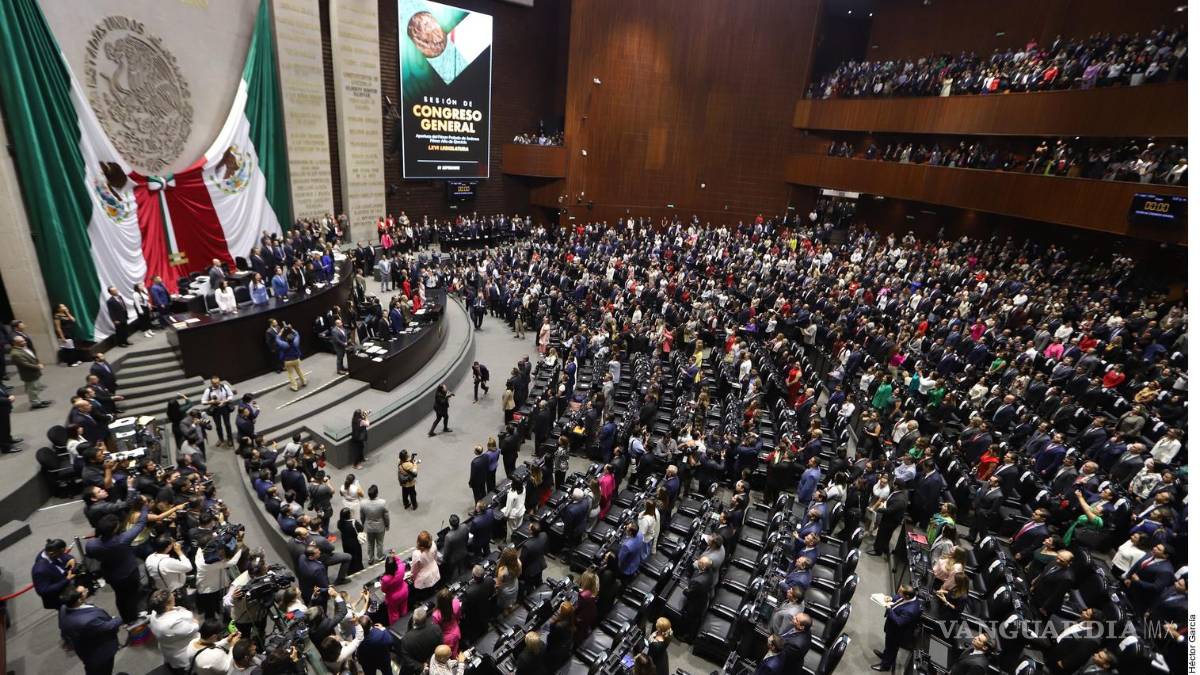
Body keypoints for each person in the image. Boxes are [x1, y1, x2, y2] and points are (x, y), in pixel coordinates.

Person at [85, 506, 149, 624]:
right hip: (129, 573)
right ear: (114, 529)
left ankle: (126, 618)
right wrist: (145, 508)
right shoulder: (122, 539)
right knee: (133, 595)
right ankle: (134, 617)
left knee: (120, 596)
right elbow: (140, 525)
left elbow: (92, 555)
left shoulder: (91, 545)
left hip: (111, 575)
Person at [58, 584, 122, 675]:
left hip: (85, 647)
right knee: (103, 671)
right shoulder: (87, 621)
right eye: (84, 591)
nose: (87, 590)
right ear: (79, 600)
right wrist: (118, 619)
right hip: (100, 654)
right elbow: (108, 627)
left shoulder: (63, 608)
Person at [148, 589, 200, 674]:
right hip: (182, 653)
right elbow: (194, 627)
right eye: (172, 598)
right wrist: (194, 621)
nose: (174, 597)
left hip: (168, 648)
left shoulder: (154, 613)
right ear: (166, 606)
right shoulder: (173, 624)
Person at [871, 585, 922, 671]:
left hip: (897, 633)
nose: (898, 593)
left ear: (907, 596)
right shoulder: (911, 597)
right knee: (888, 645)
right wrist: (891, 598)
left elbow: (899, 621)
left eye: (900, 592)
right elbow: (899, 598)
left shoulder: (910, 610)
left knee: (892, 648)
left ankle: (885, 666)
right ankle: (885, 656)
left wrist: (889, 609)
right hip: (892, 628)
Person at [399, 606, 443, 675]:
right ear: (426, 618)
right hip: (429, 663)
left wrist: (421, 667)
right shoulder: (436, 629)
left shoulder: (406, 639)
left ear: (414, 620)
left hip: (415, 667)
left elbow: (407, 658)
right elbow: (439, 648)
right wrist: (429, 662)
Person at [10, 335, 51, 409]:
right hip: (28, 374)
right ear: (15, 343)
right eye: (22, 341)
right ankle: (35, 404)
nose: (25, 342)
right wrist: (38, 366)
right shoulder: (15, 353)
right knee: (32, 390)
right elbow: (25, 364)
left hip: (33, 372)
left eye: (24, 340)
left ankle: (38, 401)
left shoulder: (22, 348)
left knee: (36, 388)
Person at [201, 376, 236, 448]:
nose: (217, 384)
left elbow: (231, 395)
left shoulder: (225, 386)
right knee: (218, 426)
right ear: (211, 383)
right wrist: (211, 402)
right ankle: (221, 439)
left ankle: (229, 439)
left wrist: (225, 401)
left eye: (218, 382)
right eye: (214, 383)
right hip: (215, 409)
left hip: (225, 407)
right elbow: (203, 401)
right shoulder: (208, 390)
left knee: (227, 424)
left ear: (219, 381)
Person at [360, 484, 390, 564]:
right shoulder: (382, 503)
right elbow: (386, 516)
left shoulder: (363, 503)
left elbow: (362, 516)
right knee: (379, 543)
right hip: (380, 527)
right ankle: (380, 557)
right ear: (377, 493)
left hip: (369, 527)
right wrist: (387, 525)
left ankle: (370, 559)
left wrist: (363, 524)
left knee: (370, 543)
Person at [410, 530, 442, 603]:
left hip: (424, 578)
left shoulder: (416, 554)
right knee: (432, 589)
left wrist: (412, 576)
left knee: (424, 593)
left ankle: (425, 602)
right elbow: (435, 557)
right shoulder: (433, 544)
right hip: (434, 570)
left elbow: (414, 569)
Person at [380, 551, 410, 624]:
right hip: (404, 592)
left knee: (394, 614)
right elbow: (399, 561)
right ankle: (405, 622)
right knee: (404, 608)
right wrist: (394, 556)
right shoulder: (401, 567)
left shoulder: (385, 579)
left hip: (393, 598)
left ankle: (396, 626)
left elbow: (383, 590)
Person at [432, 587, 464, 656]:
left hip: (446, 638)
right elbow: (458, 616)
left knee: (449, 654)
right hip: (456, 631)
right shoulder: (456, 602)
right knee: (455, 649)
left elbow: (437, 630)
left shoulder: (436, 615)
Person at [275, 324, 306, 391]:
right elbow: (297, 334)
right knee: (299, 370)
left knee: (290, 374)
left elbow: (277, 339)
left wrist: (282, 331)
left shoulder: (284, 344)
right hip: (296, 360)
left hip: (288, 362)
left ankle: (295, 386)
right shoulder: (296, 342)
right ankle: (304, 381)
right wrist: (291, 328)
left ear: (286, 339)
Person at [337, 507, 364, 575]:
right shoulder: (353, 523)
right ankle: (358, 569)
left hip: (345, 542)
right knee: (357, 556)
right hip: (354, 542)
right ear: (348, 515)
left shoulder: (340, 522)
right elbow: (361, 529)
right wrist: (355, 520)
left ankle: (350, 569)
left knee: (349, 555)